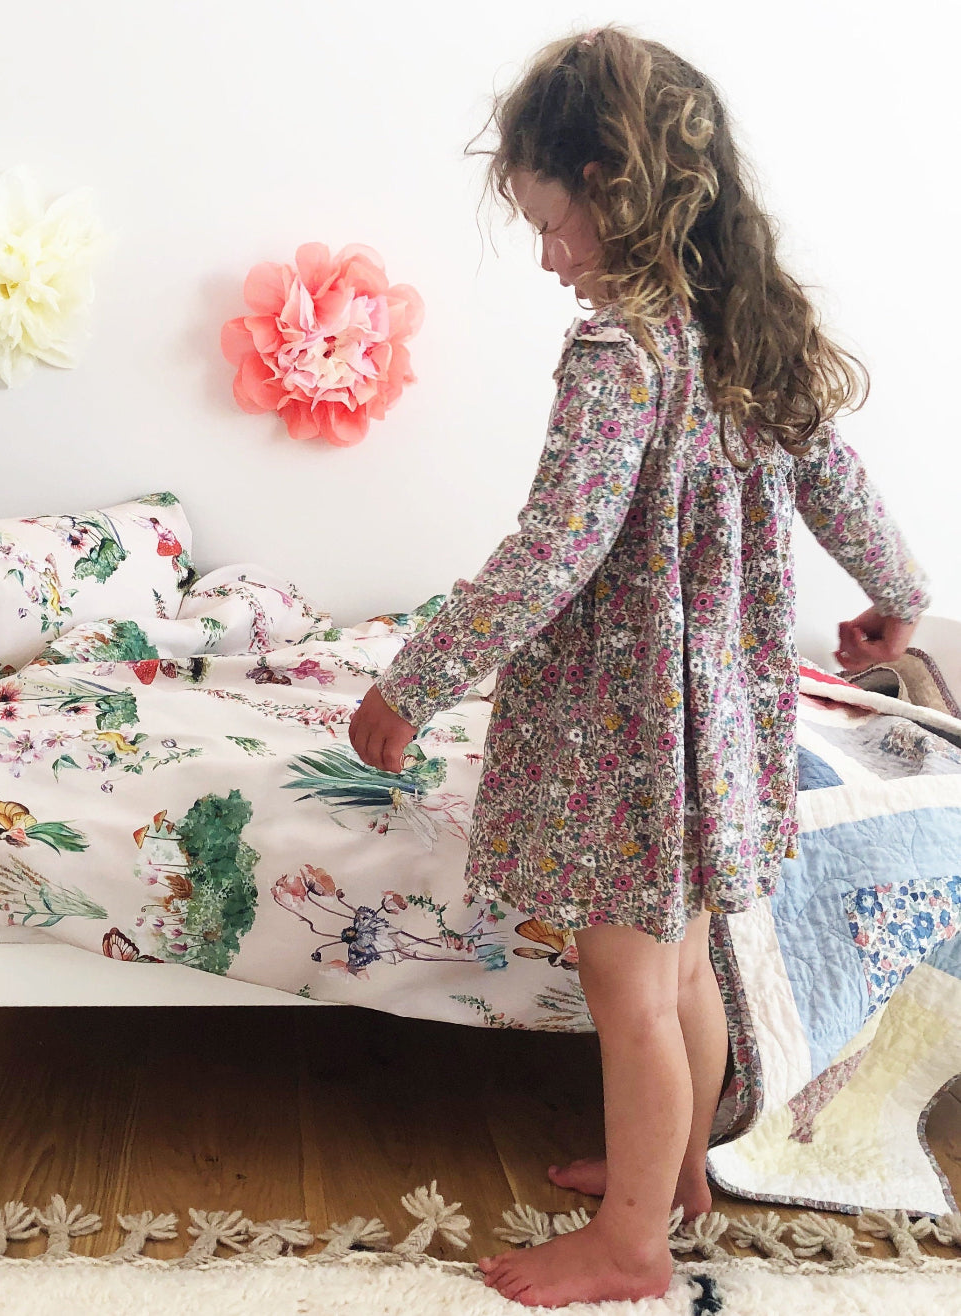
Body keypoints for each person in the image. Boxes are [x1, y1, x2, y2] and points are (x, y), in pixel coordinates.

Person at [348, 23, 932, 1309]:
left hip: (629, 732)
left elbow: (553, 548)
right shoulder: (751, 336)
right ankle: (673, 1175)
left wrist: (416, 677)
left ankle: (629, 1245)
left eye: (553, 224)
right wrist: (900, 600)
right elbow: (845, 489)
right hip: (718, 723)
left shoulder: (622, 357)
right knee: (681, 969)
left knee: (632, 991)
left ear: (620, 192)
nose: (549, 257)